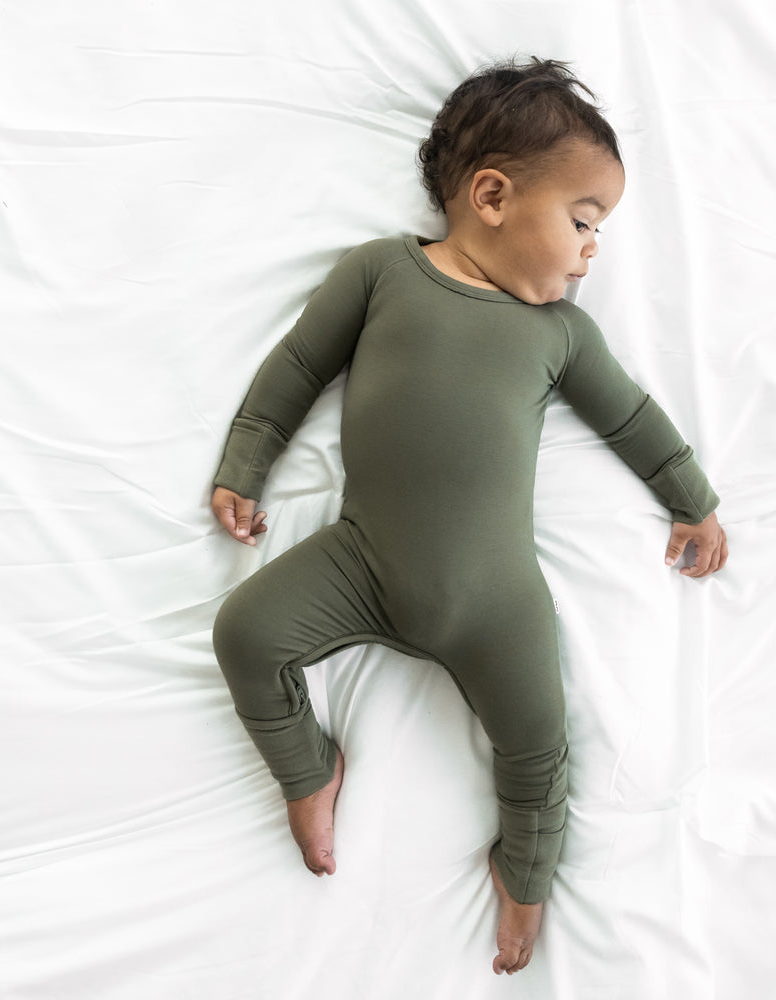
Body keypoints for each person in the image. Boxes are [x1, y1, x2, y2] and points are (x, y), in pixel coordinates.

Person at [210, 57, 728, 976]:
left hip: (498, 602)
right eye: (582, 221)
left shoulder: (561, 335)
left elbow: (633, 418)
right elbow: (296, 367)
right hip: (361, 560)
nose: (591, 251)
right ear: (490, 194)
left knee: (537, 755)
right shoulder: (379, 274)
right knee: (246, 632)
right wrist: (247, 462)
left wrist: (692, 498)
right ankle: (308, 768)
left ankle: (522, 878)